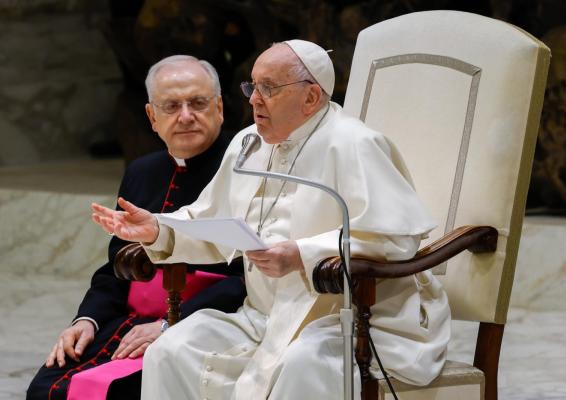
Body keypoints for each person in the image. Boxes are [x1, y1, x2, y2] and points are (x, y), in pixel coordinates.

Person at [91, 40, 451, 399]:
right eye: (252, 86)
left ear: (310, 98)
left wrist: (301, 254)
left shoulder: (354, 144)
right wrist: (158, 228)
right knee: (172, 349)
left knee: (304, 364)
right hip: (262, 316)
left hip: (347, 319)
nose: (253, 99)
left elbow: (395, 239)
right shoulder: (248, 144)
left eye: (269, 88)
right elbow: (210, 219)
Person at [27, 56, 246, 400]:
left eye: (198, 103)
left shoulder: (248, 168)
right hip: (130, 322)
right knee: (47, 389)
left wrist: (171, 323)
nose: (186, 116)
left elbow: (249, 277)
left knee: (118, 391)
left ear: (219, 107)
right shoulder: (142, 172)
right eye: (172, 106)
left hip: (205, 321)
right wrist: (86, 320)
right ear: (151, 117)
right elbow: (118, 268)